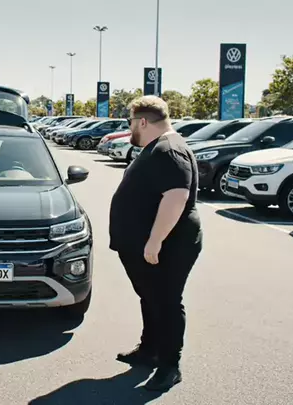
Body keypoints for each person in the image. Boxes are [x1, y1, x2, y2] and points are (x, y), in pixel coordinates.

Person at [108, 96, 203, 391]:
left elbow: (176, 196)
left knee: (166, 303)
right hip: (150, 245)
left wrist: (154, 241)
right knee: (150, 298)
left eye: (130, 123)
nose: (129, 129)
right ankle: (149, 350)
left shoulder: (168, 149)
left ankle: (170, 366)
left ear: (143, 122)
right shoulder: (158, 147)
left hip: (169, 246)